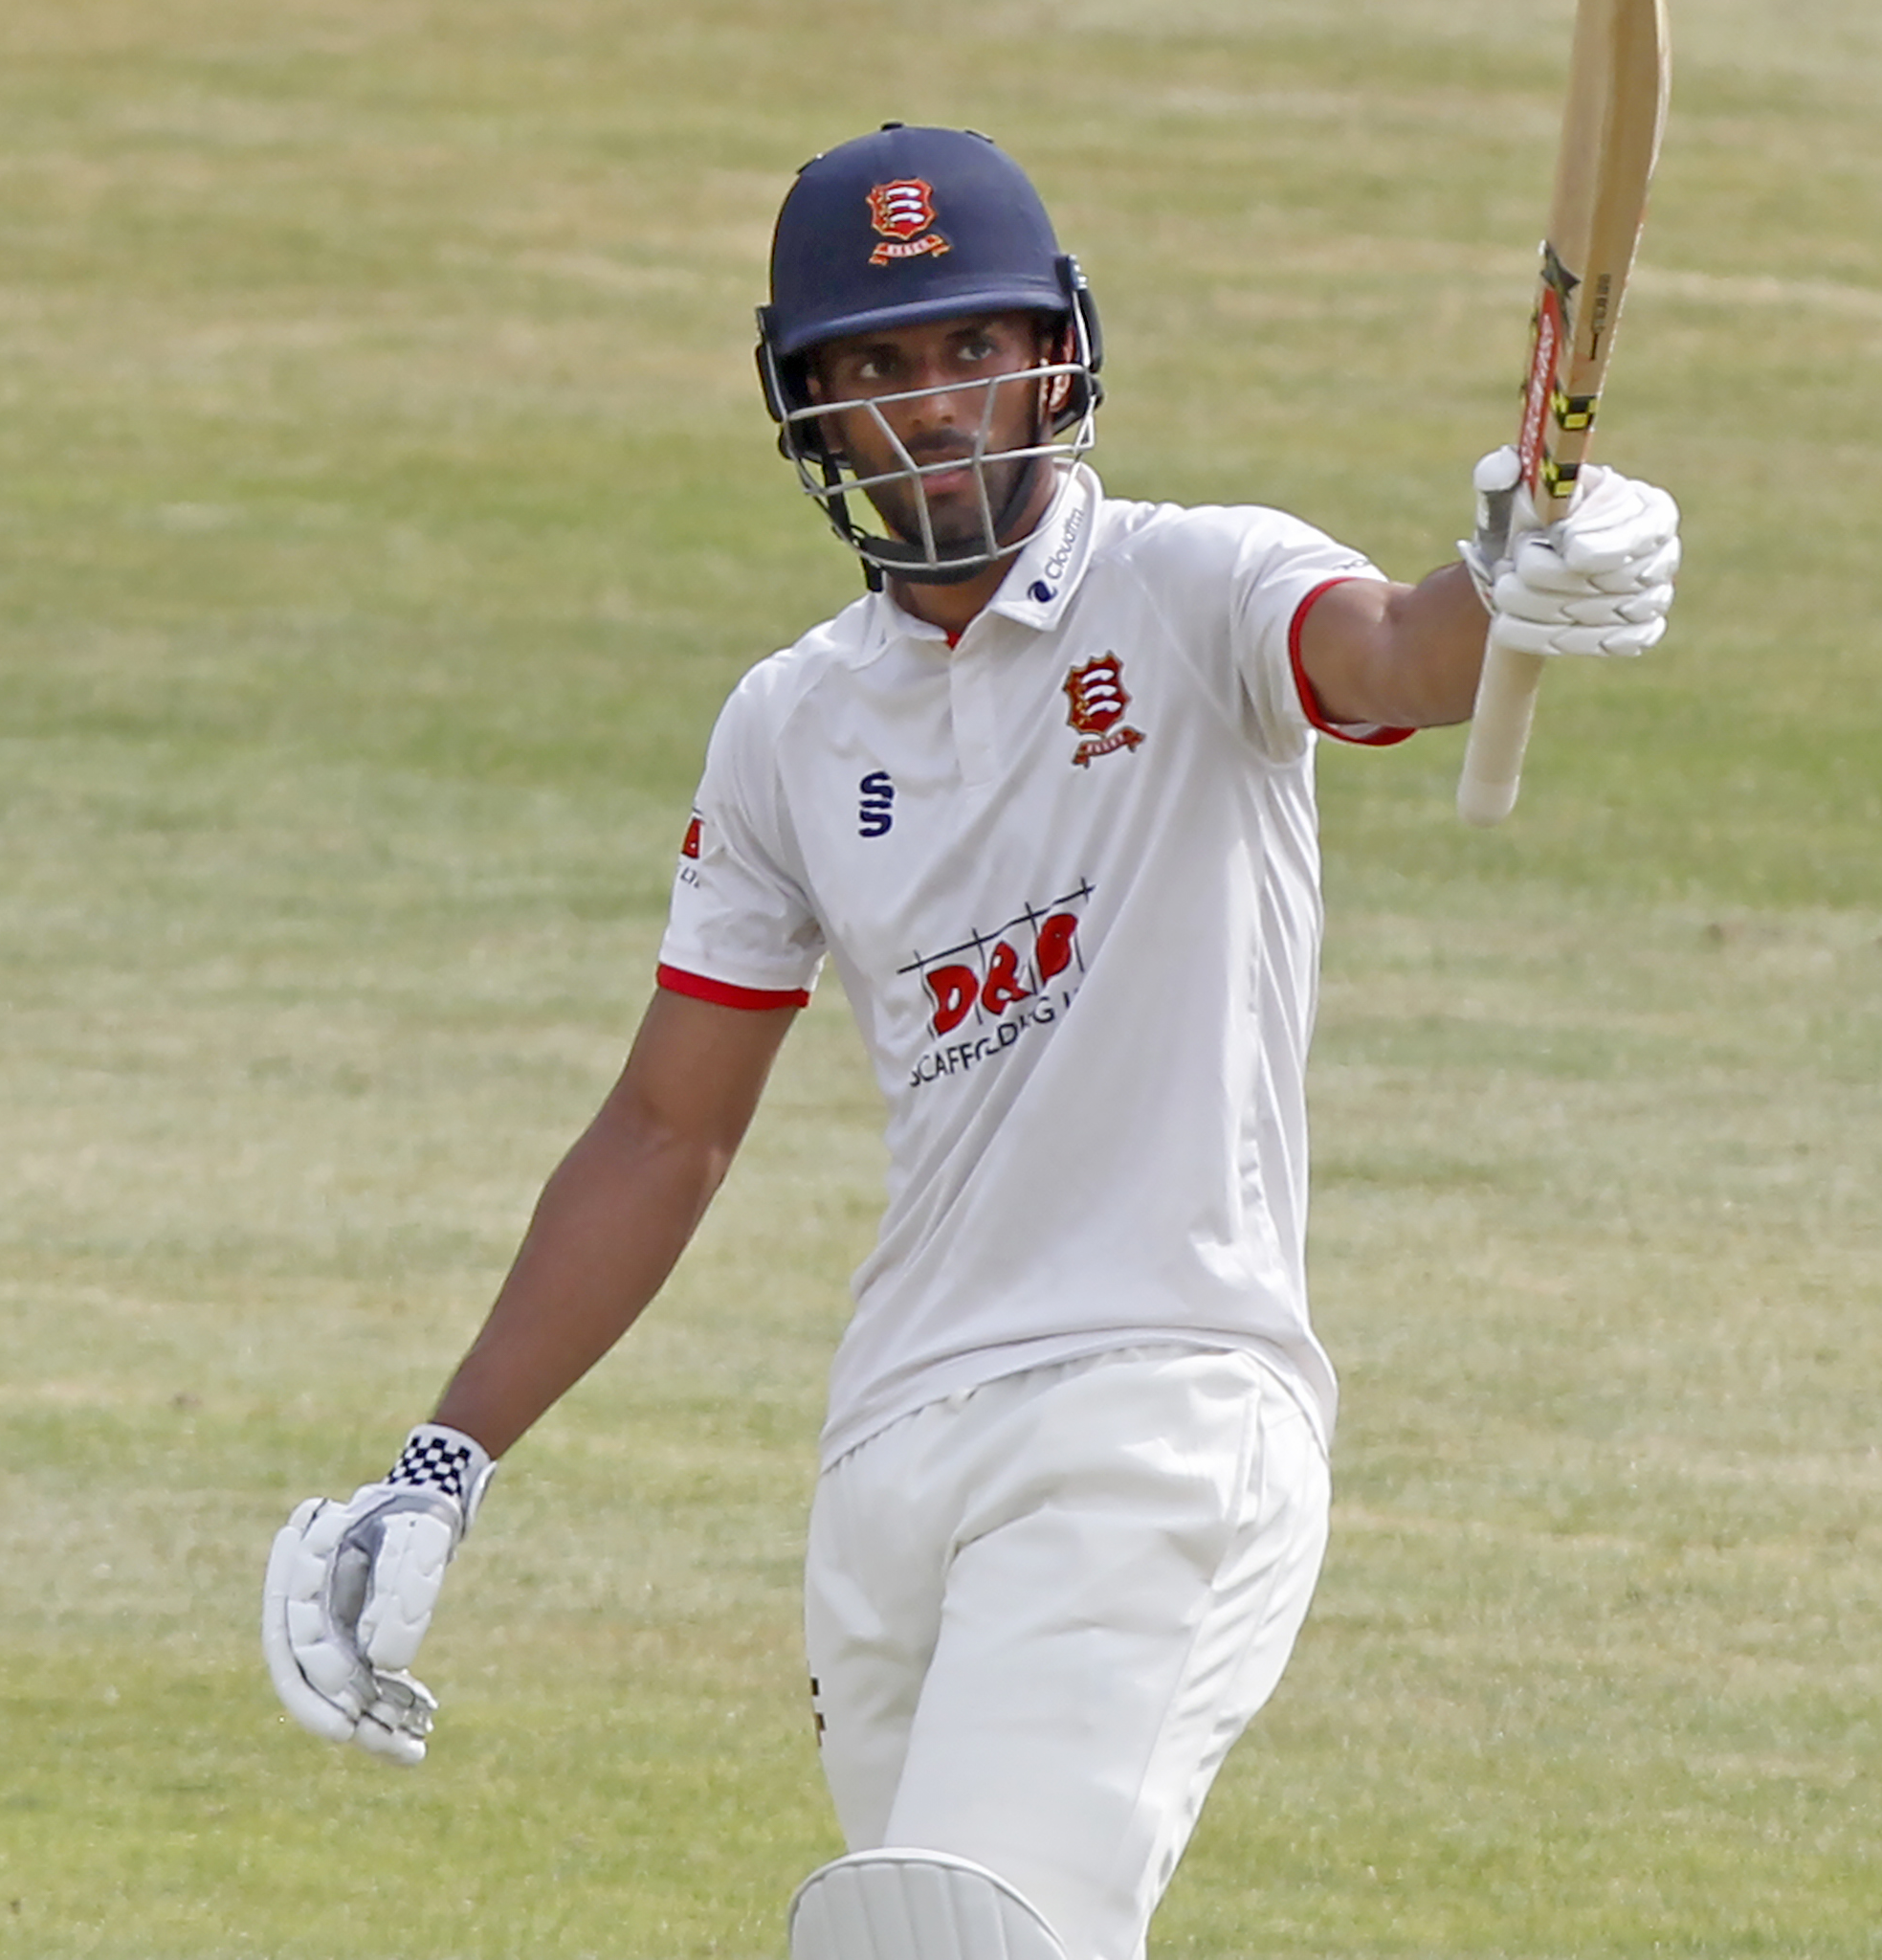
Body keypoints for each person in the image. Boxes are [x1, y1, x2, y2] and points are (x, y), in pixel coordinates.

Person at [261, 123, 1679, 1960]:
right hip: (892, 1467)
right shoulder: (788, 728)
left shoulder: (1193, 591)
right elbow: (663, 1132)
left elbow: (1396, 653)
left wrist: (1516, 569)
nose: (932, 406)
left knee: (965, 1942)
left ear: (1056, 355)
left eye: (968, 349)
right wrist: (442, 1465)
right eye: (875, 368)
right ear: (812, 415)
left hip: (1155, 1416)